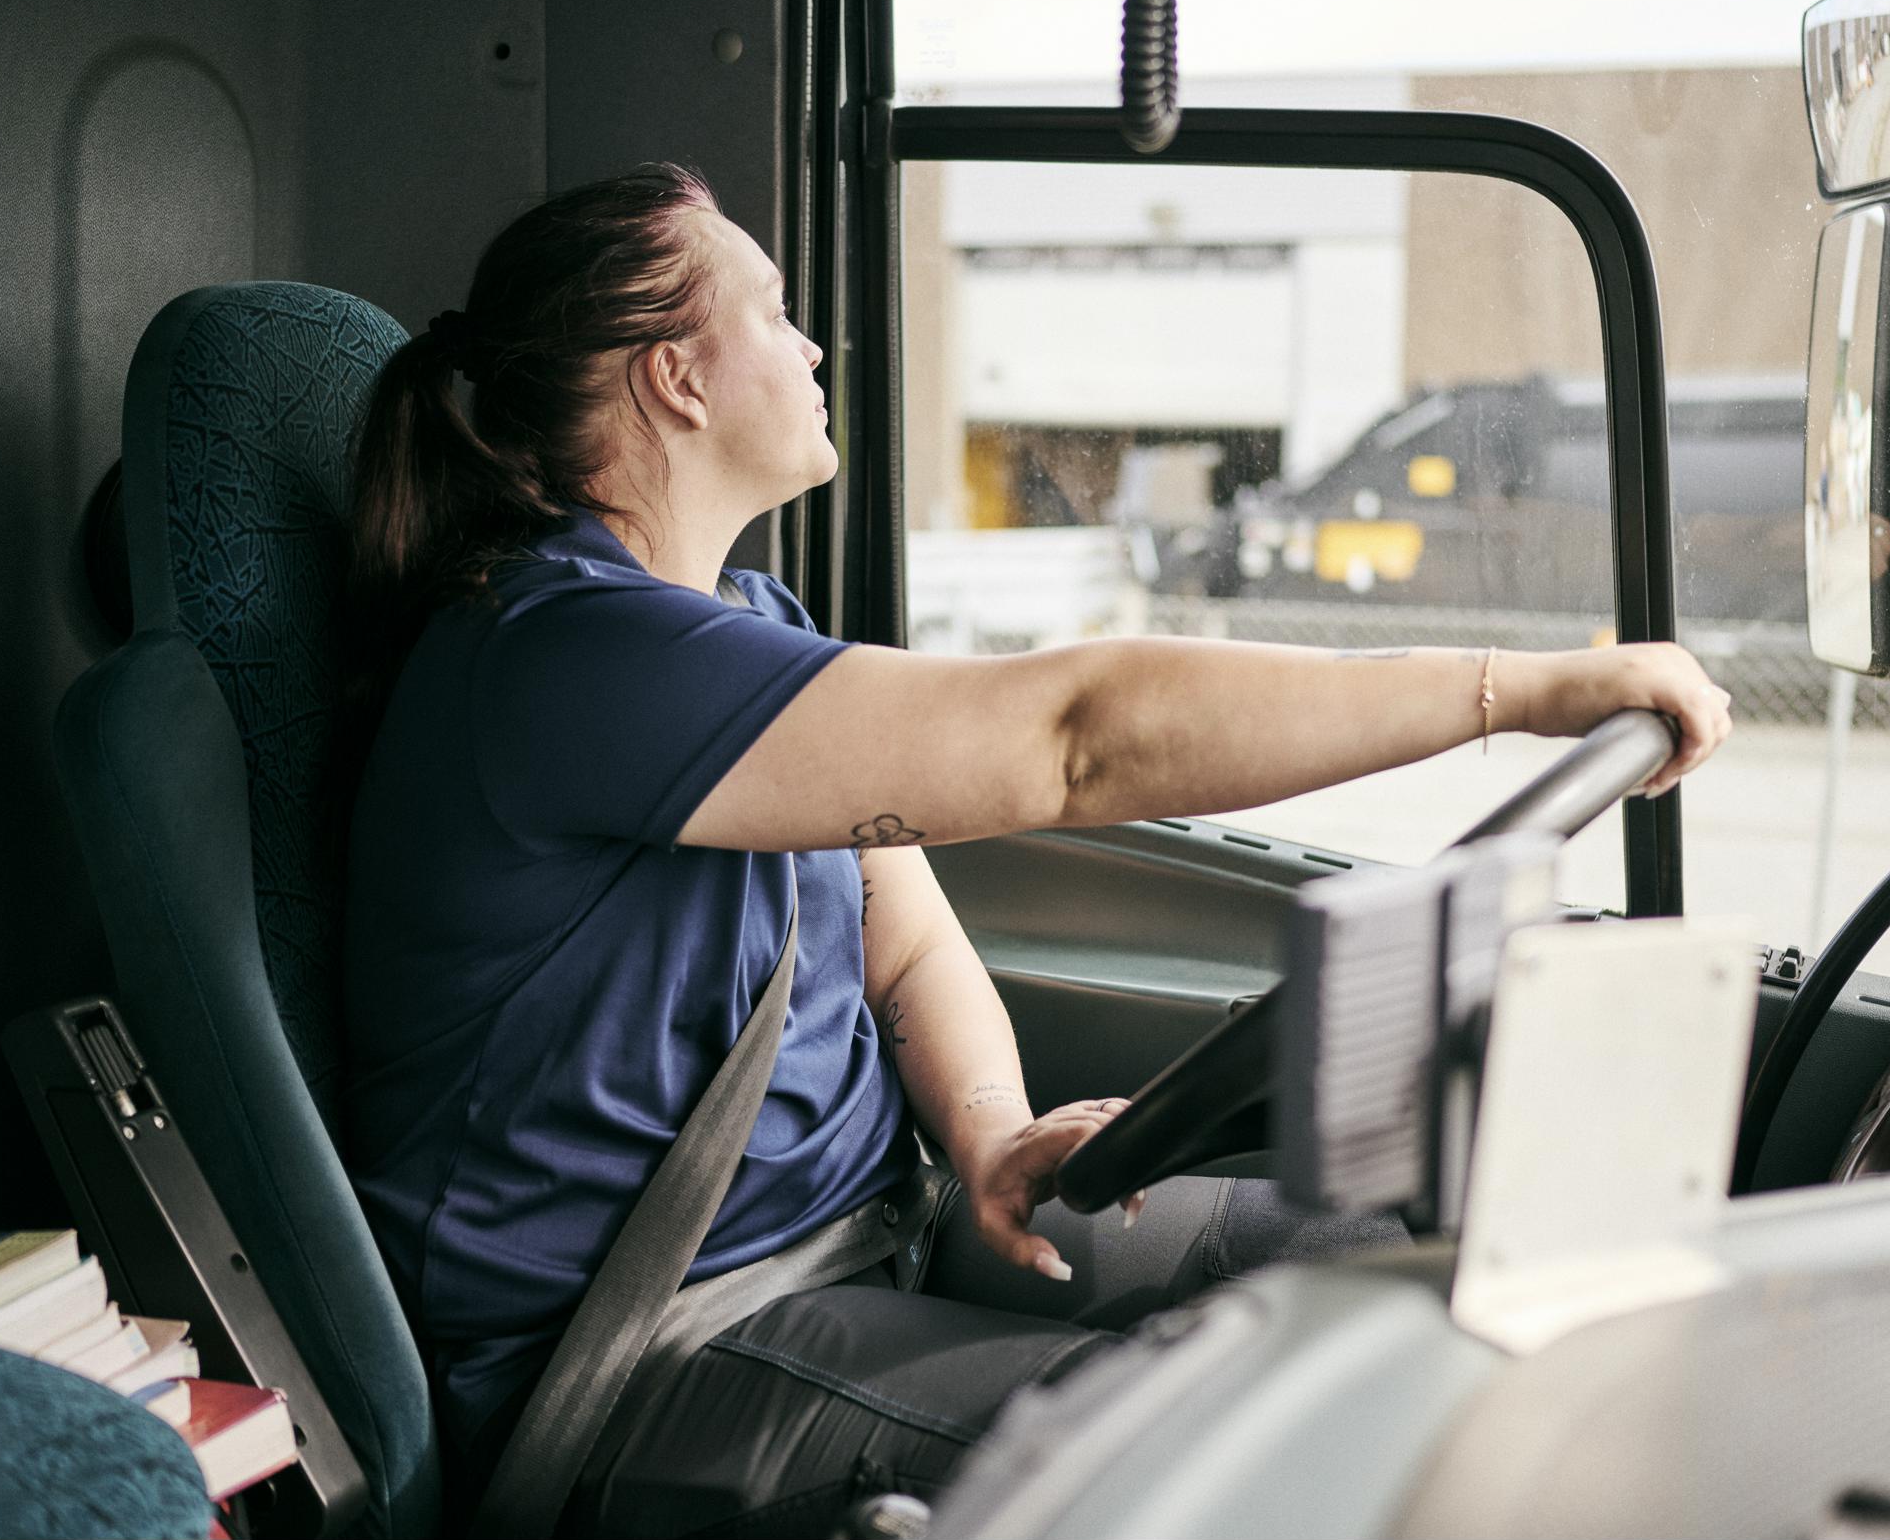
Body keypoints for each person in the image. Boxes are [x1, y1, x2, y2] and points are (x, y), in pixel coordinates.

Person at [337, 162, 1732, 1538]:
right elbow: (1078, 739)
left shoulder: (744, 620)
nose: (813, 342)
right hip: (657, 1354)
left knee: (1368, 1277)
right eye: (771, 312)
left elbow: (905, 934)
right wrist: (1514, 693)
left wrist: (997, 1136)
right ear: (678, 380)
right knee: (1235, 1455)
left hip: (877, 1229)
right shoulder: (563, 660)